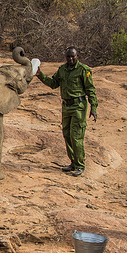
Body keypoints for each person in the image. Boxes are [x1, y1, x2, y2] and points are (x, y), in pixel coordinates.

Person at [36, 46, 98, 176]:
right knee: (67, 134)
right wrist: (40, 75)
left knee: (76, 136)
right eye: (68, 57)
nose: (70, 59)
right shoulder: (62, 70)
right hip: (66, 106)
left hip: (78, 106)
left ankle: (80, 165)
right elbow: (53, 84)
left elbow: (90, 90)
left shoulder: (83, 70)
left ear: (77, 57)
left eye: (73, 56)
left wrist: (94, 107)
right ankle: (73, 163)